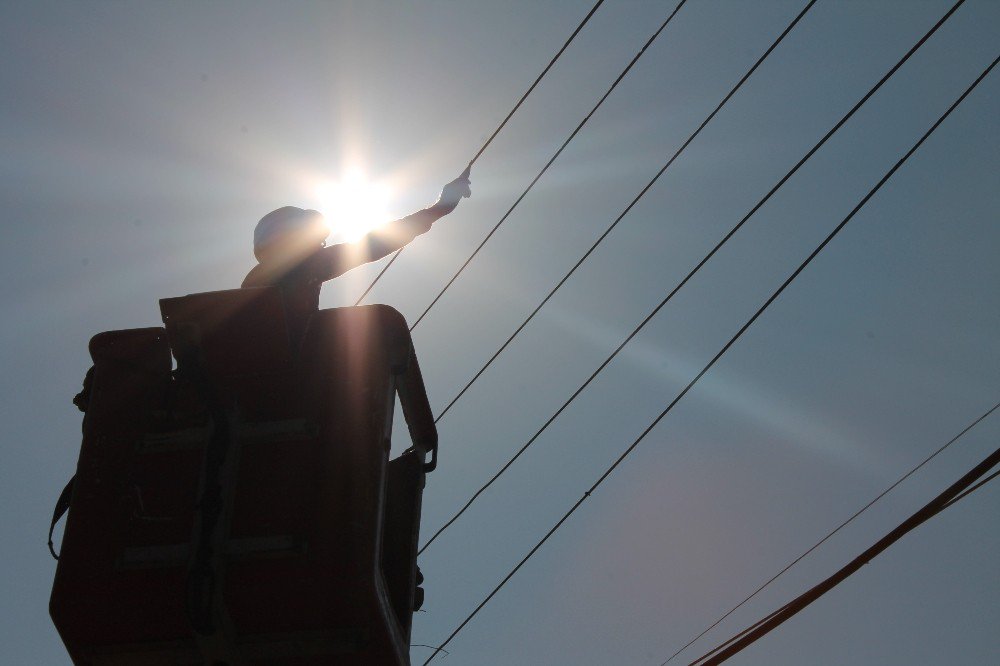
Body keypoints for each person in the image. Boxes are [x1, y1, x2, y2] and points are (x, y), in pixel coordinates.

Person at [242, 168, 471, 342]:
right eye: (315, 242)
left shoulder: (254, 283)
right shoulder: (297, 267)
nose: (320, 248)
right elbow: (372, 245)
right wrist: (441, 206)